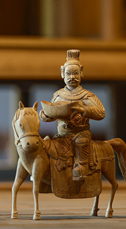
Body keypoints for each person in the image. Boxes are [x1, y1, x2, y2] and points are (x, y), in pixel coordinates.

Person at [39, 49, 106, 183]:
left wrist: (84, 110)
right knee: (48, 148)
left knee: (80, 143)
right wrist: (45, 114)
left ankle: (81, 167)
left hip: (80, 133)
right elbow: (53, 112)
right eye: (68, 73)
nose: (72, 77)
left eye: (75, 73)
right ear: (62, 73)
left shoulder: (86, 96)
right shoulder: (58, 95)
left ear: (81, 72)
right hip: (62, 134)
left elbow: (101, 112)